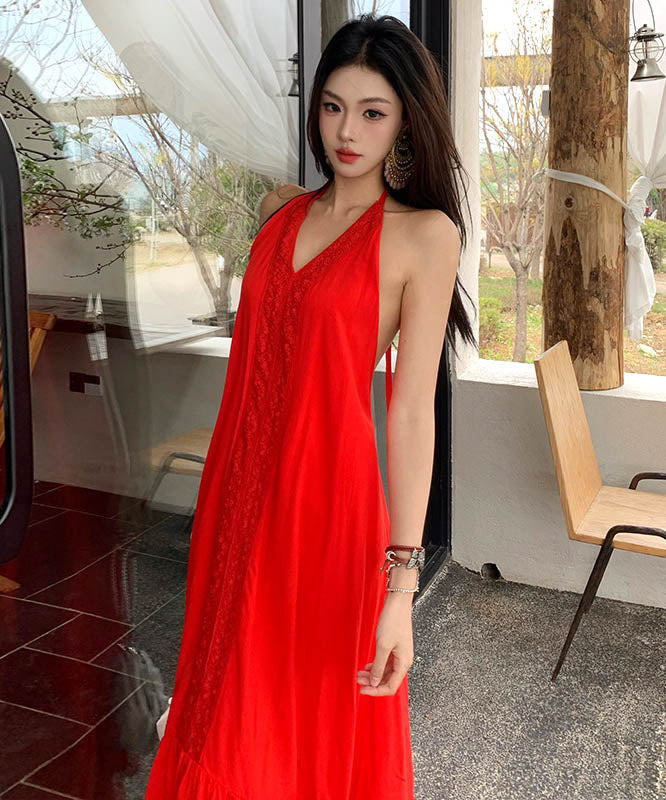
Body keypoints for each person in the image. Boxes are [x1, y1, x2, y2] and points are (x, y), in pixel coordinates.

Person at [145, 13, 476, 800]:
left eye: (372, 112)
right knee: (223, 703)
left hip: (327, 509)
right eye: (333, 106)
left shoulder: (424, 236)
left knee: (303, 714)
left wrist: (401, 589)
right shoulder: (279, 210)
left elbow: (411, 413)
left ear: (405, 122)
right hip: (234, 493)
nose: (347, 132)